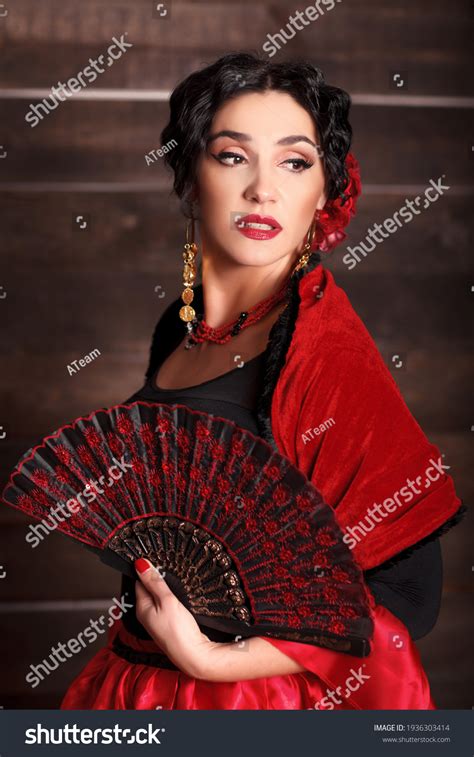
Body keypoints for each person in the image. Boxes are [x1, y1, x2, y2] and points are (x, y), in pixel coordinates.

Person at [60, 53, 463, 710]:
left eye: (294, 162)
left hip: (255, 703)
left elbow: (409, 591)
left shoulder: (321, 348)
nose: (263, 189)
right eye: (232, 156)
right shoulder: (180, 327)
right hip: (134, 684)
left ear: (323, 192)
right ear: (190, 177)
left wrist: (213, 658)